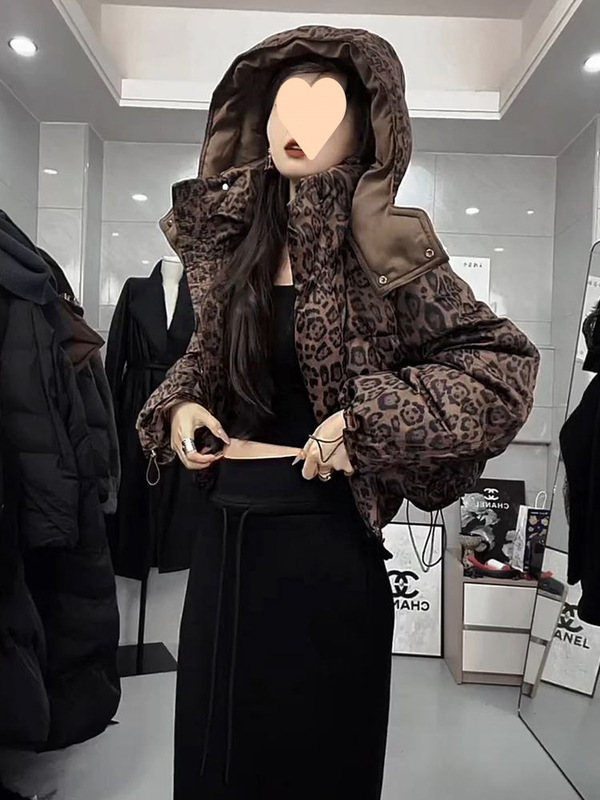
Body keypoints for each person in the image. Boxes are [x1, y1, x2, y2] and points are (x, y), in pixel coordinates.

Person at [136, 25, 540, 800]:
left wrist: (366, 422)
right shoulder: (233, 248)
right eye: (284, 108)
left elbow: (502, 371)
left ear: (367, 129)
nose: (299, 126)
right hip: (223, 541)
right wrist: (181, 403)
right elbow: (205, 360)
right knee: (215, 758)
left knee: (316, 759)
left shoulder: (387, 254)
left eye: (324, 108)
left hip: (323, 544)